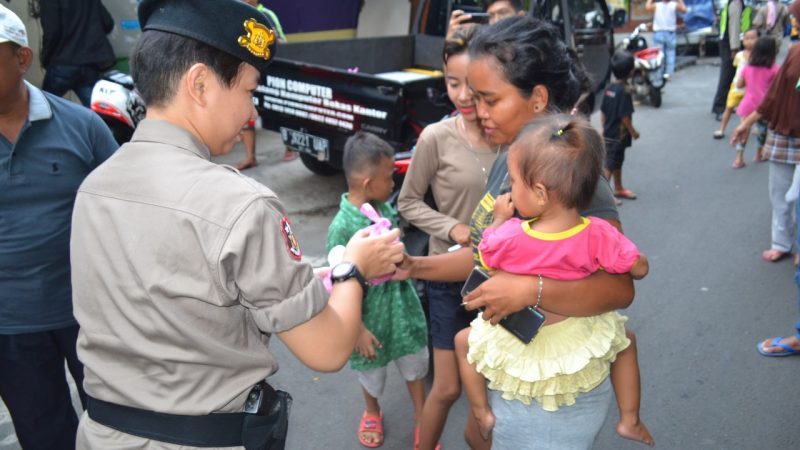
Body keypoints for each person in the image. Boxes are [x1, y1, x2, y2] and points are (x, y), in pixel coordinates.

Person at [69, 0, 404, 448]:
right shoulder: (240, 204)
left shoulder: (94, 186)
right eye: (248, 91)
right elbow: (326, 349)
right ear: (201, 84)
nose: (251, 114)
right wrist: (352, 268)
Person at [395, 16, 635, 450]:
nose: (473, 107)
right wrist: (412, 266)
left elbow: (618, 289)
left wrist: (531, 290)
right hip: (512, 372)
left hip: (550, 393)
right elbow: (491, 255)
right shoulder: (515, 158)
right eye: (471, 94)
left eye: (489, 98)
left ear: (538, 98)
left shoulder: (572, 179)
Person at [454, 114, 653, 446]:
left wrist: (500, 219)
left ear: (541, 193)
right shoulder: (598, 233)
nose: (511, 189)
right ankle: (630, 418)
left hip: (521, 339)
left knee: (463, 343)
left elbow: (485, 253)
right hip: (576, 337)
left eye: (514, 182)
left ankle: (481, 411)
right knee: (625, 341)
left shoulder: (513, 236)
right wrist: (639, 263)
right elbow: (638, 267)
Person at [0, 5, 118, 449]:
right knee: (43, 432)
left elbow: (123, 210)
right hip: (9, 325)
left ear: (22, 59)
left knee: (116, 424)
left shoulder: (83, 128)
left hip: (90, 314)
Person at [397, 24, 502, 450]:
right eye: (452, 82)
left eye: (472, 86)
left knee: (494, 386)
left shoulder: (510, 139)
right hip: (446, 279)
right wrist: (451, 227)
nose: (461, 96)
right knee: (447, 388)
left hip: (499, 283)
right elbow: (408, 203)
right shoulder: (436, 138)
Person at [327, 132, 429, 448]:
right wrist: (355, 329)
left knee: (414, 364)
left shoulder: (383, 209)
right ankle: (372, 410)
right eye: (390, 177)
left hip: (401, 308)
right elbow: (335, 284)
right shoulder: (341, 227)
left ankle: (422, 414)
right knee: (372, 373)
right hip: (369, 317)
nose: (393, 184)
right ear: (369, 183)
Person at [732, 0, 800, 264]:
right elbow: (773, 97)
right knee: (780, 193)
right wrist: (745, 123)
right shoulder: (794, 52)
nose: (794, 21)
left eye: (796, 17)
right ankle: (781, 242)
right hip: (784, 134)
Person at [235, 0, 293, 170]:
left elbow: (284, 42)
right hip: (249, 74)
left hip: (271, 74)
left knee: (281, 110)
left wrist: (273, 38)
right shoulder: (239, 13)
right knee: (247, 115)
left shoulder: (267, 14)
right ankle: (250, 157)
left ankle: (291, 148)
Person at [39, 0, 116, 107]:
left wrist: (45, 58)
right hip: (89, 63)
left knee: (43, 108)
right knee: (97, 111)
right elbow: (108, 23)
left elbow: (52, 32)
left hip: (62, 62)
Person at [731, 35, 778, 169]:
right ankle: (759, 153)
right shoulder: (774, 69)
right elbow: (777, 87)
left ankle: (739, 158)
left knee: (744, 130)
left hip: (747, 103)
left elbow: (739, 84)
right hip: (764, 105)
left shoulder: (747, 68)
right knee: (762, 130)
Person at [602, 51, 640, 202]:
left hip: (609, 133)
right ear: (630, 72)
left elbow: (603, 112)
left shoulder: (609, 88)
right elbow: (625, 117)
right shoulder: (624, 92)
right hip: (619, 136)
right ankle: (604, 197)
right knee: (610, 165)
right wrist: (633, 131)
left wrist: (604, 128)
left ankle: (618, 188)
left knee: (617, 162)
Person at [711, 0, 752, 120]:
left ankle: (728, 105)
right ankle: (720, 107)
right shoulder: (736, 3)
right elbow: (734, 26)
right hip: (731, 43)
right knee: (727, 76)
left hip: (730, 42)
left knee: (732, 75)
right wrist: (734, 48)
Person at [714, 29, 757, 140]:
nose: (750, 41)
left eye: (753, 39)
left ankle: (747, 128)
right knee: (729, 107)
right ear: (743, 41)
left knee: (750, 110)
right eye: (747, 38)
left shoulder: (758, 56)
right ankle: (722, 129)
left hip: (751, 88)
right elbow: (736, 69)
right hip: (736, 87)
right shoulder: (739, 55)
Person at [645, 0, 687, 79]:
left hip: (658, 33)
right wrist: (680, 1)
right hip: (670, 33)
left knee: (658, 55)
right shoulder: (674, 5)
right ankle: (668, 74)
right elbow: (684, 9)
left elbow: (647, 7)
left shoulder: (656, 5)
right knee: (670, 54)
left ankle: (658, 74)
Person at [446, 0, 524, 38]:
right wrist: (450, 39)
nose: (496, 20)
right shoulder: (482, 48)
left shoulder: (532, 47)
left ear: (520, 16)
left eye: (503, 13)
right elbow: (453, 70)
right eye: (491, 15)